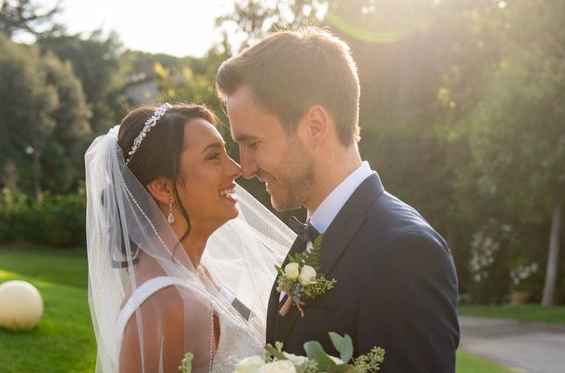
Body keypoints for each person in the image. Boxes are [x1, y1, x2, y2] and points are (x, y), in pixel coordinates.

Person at [216, 27, 460, 371]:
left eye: (254, 143)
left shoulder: (404, 252)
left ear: (315, 125)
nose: (246, 166)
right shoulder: (311, 237)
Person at [85, 103, 294, 372]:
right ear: (163, 188)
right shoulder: (165, 305)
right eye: (213, 157)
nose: (236, 169)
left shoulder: (195, 273)